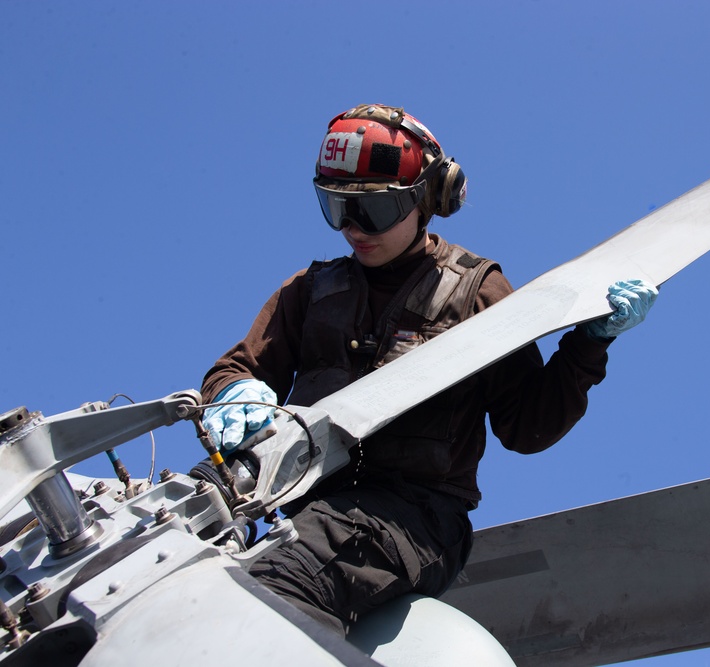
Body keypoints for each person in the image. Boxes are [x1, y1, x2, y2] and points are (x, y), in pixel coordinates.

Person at [200, 103, 658, 635]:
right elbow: (237, 366)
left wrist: (589, 345)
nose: (351, 229)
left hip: (413, 520)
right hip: (299, 506)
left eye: (369, 210)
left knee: (278, 585)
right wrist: (237, 391)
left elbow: (526, 427)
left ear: (426, 198)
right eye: (335, 207)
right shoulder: (311, 292)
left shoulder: (475, 291)